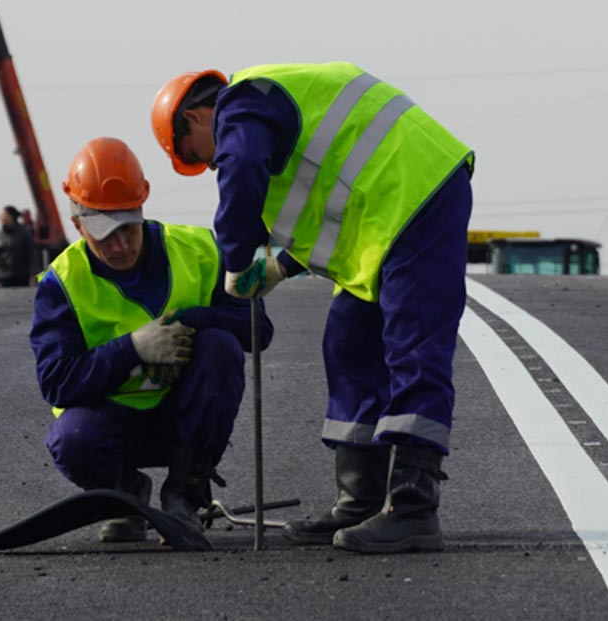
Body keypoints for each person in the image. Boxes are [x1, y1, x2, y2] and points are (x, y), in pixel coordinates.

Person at [151, 63, 473, 554]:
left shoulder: (243, 101)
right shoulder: (268, 116)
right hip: (382, 216)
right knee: (349, 341)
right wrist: (279, 266)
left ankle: (413, 508)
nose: (211, 166)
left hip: (419, 193)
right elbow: (326, 210)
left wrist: (236, 257)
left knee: (414, 342)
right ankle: (360, 500)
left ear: (195, 119)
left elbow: (242, 168)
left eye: (199, 157)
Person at [30, 137, 273, 542]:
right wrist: (133, 348)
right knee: (71, 441)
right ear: (78, 225)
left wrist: (193, 320)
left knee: (220, 346)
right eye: (106, 234)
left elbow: (258, 330)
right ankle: (124, 497)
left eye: (129, 228)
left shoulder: (198, 250)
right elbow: (56, 382)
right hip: (112, 425)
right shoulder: (62, 285)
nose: (121, 244)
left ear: (142, 207)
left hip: (187, 422)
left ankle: (184, 496)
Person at [0, 205, 35, 288]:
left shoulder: (24, 233)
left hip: (21, 276)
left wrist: (32, 273)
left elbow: (31, 255)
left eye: (3, 215)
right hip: (4, 277)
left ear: (10, 217)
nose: (1, 217)